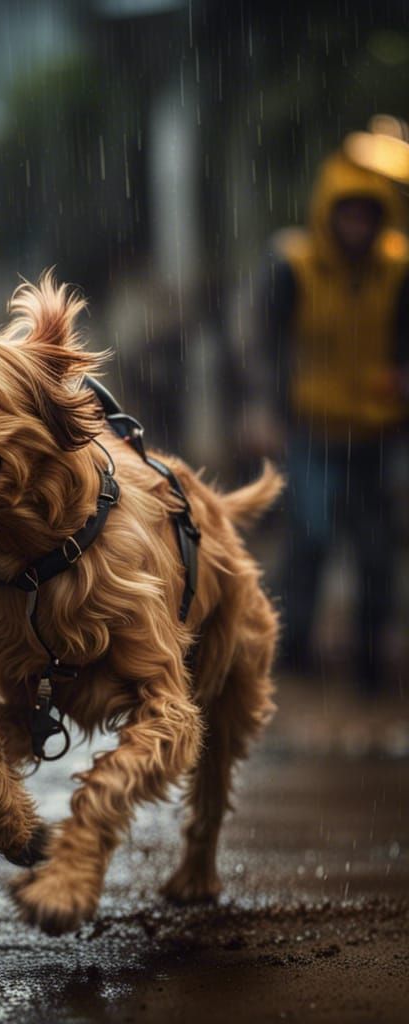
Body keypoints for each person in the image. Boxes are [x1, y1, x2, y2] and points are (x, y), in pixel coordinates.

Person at [240, 149, 409, 692]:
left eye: (367, 215)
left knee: (376, 550)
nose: (357, 226)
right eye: (348, 214)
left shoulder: (398, 269)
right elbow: (264, 342)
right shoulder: (293, 264)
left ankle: (370, 666)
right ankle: (291, 659)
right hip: (312, 428)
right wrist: (265, 408)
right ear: (330, 214)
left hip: (380, 431)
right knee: (308, 541)